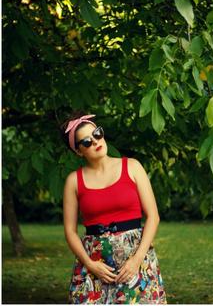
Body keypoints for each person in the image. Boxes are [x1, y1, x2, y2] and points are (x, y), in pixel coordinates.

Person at [62, 113, 167, 304]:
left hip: (136, 259)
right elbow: (70, 231)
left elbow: (153, 216)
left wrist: (137, 260)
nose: (95, 141)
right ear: (78, 151)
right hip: (95, 264)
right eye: (86, 142)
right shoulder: (73, 181)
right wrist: (90, 264)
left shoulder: (133, 167)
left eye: (97, 133)